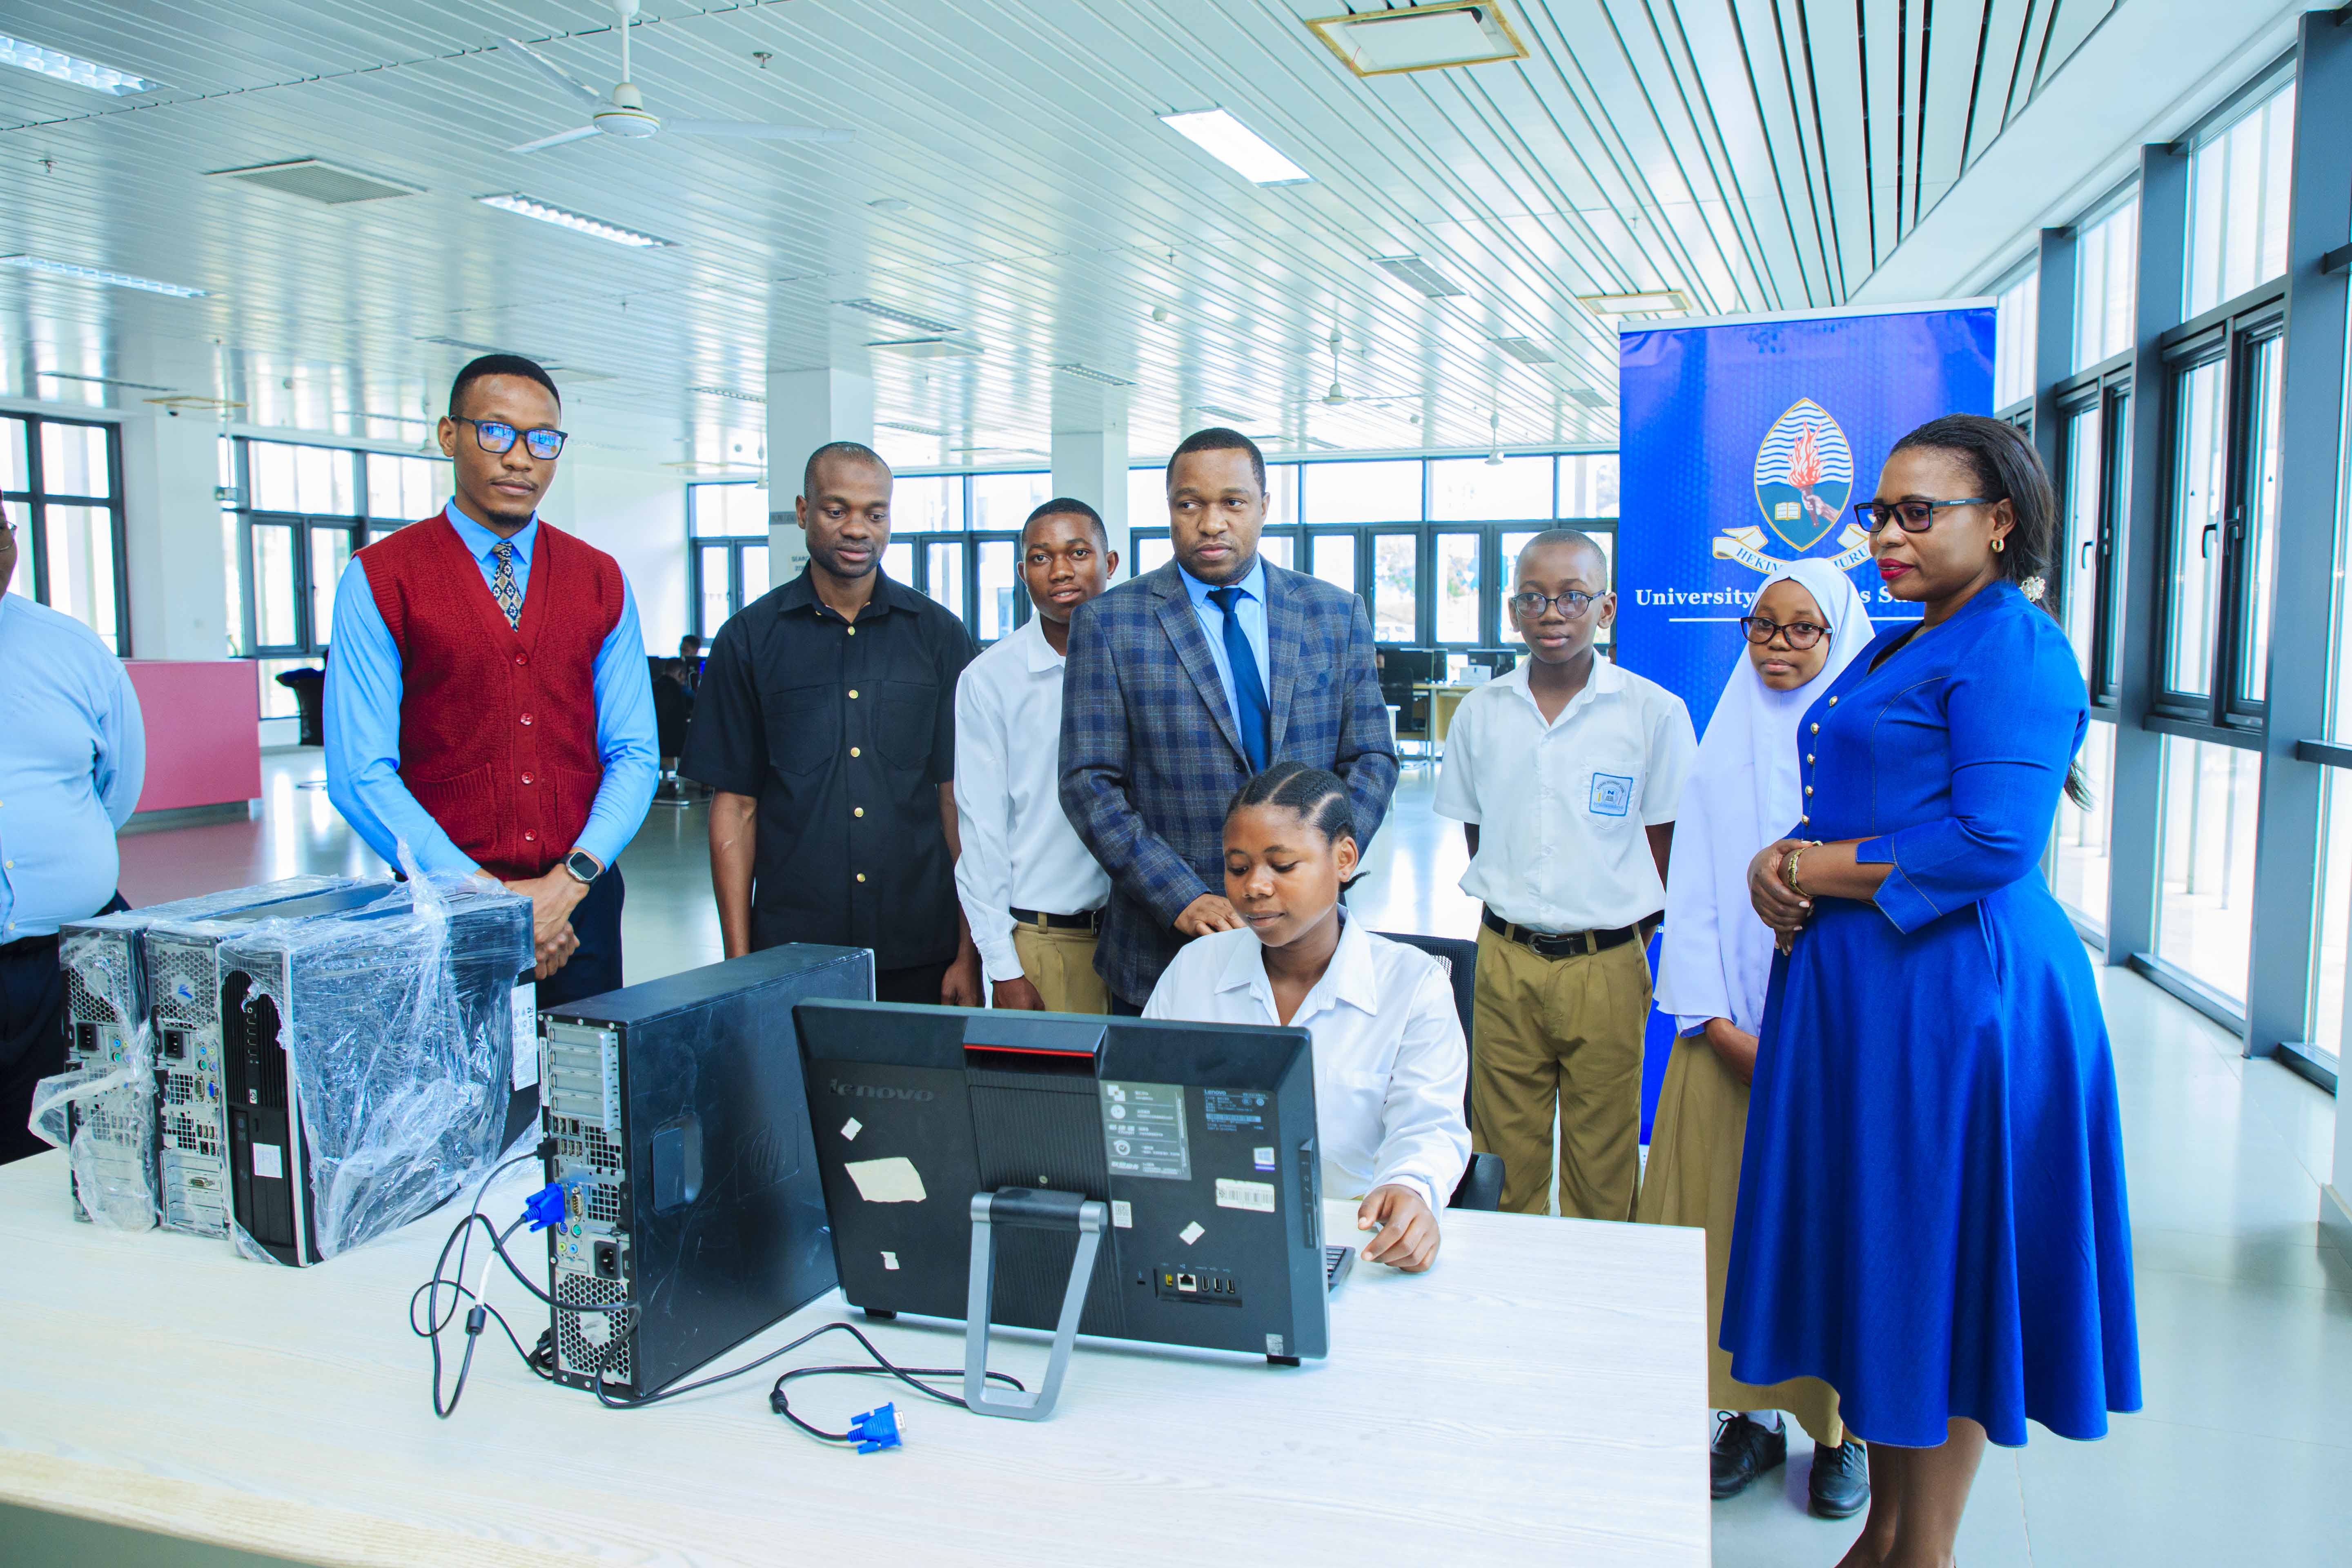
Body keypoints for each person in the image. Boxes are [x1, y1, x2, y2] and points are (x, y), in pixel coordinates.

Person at [1724, 415, 2140, 1568]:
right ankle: (1888, 1537)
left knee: (1939, 1266)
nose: (1886, 535)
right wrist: (1780, 856)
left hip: (1955, 1000)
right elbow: (1865, 801)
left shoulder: (2014, 645)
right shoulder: (1911, 640)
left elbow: (1990, 837)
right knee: (1895, 1264)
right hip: (1875, 994)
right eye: (1879, 514)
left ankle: (1921, 1552)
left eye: (1918, 513)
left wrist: (1808, 869)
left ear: (1998, 522)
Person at [1640, 559, 1874, 1517]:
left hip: (1840, 1053)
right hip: (1725, 1036)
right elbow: (1691, 891)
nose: (1777, 645)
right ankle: (1747, 1415)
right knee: (1726, 1230)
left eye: (1801, 628)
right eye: (1761, 626)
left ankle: (1842, 1428)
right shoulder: (1720, 740)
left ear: (1839, 636)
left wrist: (1810, 1048)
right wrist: (1715, 1022)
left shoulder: (1870, 746)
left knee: (1835, 1235)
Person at [325, 354, 656, 1006]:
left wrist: (569, 881)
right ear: (450, 436)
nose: (520, 459)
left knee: (582, 1072)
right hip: (442, 907)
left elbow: (635, 753)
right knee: (455, 1076)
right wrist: (485, 898)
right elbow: (360, 773)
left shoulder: (601, 580)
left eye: (543, 439)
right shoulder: (382, 579)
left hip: (580, 903)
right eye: (497, 432)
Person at [1060, 428, 1397, 1013]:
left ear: (1264, 505)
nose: (1211, 523)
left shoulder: (1333, 613)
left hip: (1311, 947)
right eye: (1189, 504)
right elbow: (1088, 782)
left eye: (1233, 502)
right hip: (1166, 951)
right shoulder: (1111, 624)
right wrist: (1180, 896)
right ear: (1170, 508)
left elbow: (1371, 757)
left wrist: (1323, 867)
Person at [1433, 529, 1695, 1221]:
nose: (1552, 613)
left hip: (1607, 964)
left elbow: (1664, 845)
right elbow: (1478, 832)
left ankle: (1595, 1287)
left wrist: (1619, 932)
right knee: (1502, 1155)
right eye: (1534, 598)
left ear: (1606, 608)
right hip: (1505, 959)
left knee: (1603, 1160)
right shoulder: (1481, 713)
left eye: (1573, 597)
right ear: (1512, 611)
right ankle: (1509, 1284)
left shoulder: (1653, 713)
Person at [684, 441, 981, 1005]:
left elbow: (958, 802)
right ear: (803, 511)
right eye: (836, 509)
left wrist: (969, 955)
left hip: (920, 944)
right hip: (792, 949)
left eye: (875, 513)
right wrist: (740, 964)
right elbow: (736, 807)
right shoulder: (749, 639)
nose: (857, 529)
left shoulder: (939, 636)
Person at [1144, 763, 1468, 1270]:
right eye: (1237, 868)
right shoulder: (1194, 971)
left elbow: (1428, 1126)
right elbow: (1146, 1105)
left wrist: (1410, 1189)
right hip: (1208, 1233)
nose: (1255, 887)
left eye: (1282, 865)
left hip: (1355, 1238)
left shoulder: (1412, 986)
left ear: (1344, 859)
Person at [0, 499, 145, 1163]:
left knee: (66, 1157)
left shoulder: (69, 647)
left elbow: (116, 788)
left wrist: (60, 860)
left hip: (66, 962)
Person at [954, 499, 1118, 1014]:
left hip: (1142, 938)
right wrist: (1003, 967)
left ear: (1110, 563)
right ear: (1022, 572)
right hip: (1048, 944)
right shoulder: (990, 680)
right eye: (1041, 558)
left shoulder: (1142, 662)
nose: (1061, 571)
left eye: (1078, 553)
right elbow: (981, 833)